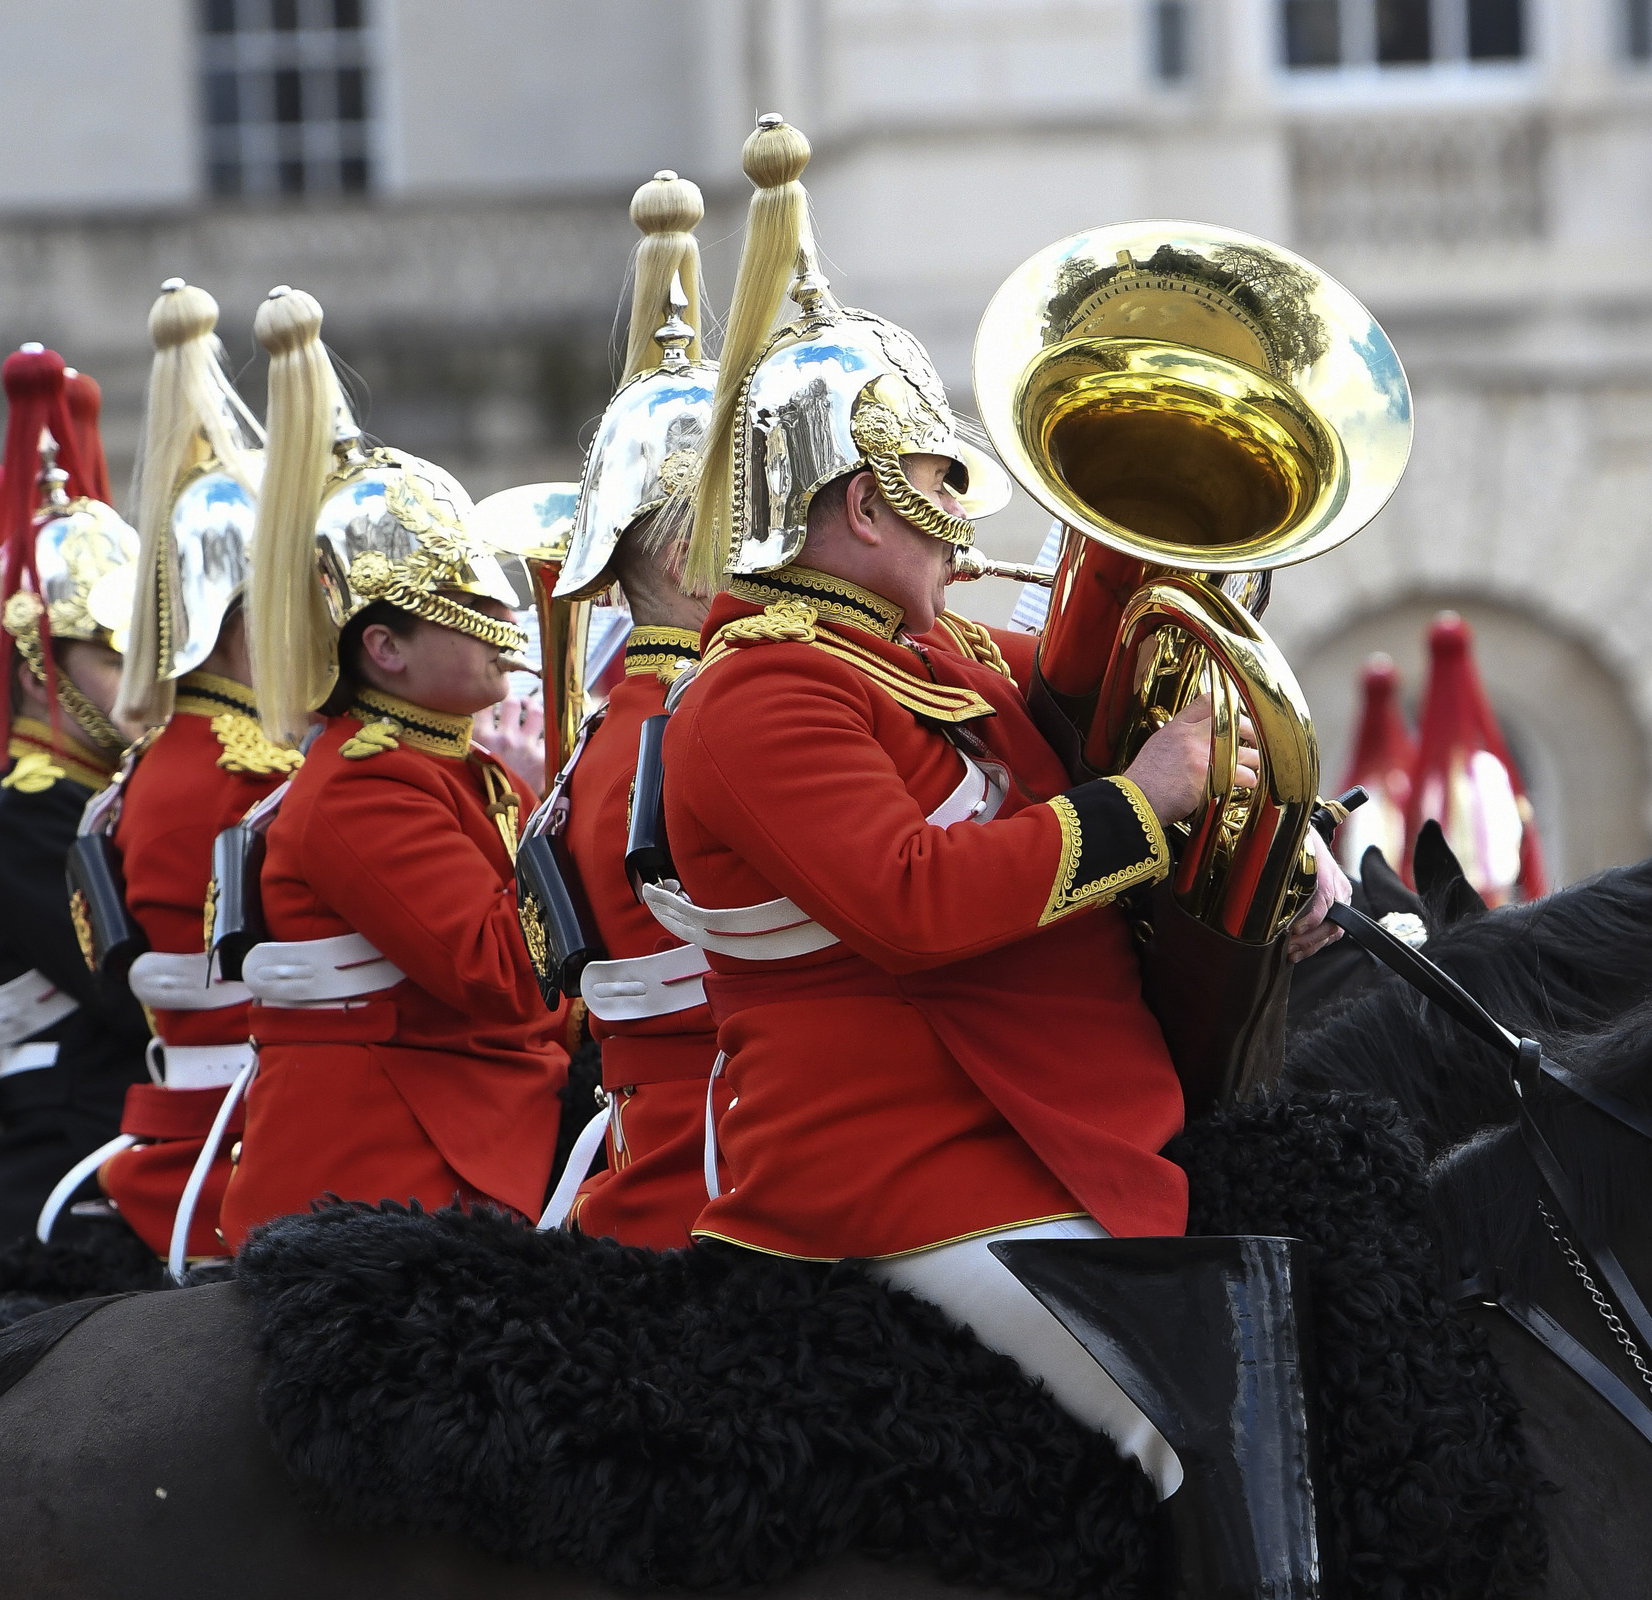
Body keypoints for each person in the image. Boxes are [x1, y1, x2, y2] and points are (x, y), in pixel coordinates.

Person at [652, 116, 1347, 1559]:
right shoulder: (756, 691)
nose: (968, 523)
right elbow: (912, 899)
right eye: (946, 486)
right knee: (1177, 1406)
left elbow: (1084, 712)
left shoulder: (936, 649)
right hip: (908, 1156)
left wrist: (1272, 839)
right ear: (866, 501)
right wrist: (1143, 804)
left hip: (1036, 1116)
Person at [216, 286, 568, 1246]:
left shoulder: (462, 766)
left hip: (476, 1105)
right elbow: (502, 973)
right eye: (468, 605)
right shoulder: (365, 784)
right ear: (384, 649)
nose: (504, 625)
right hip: (399, 1161)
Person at [58, 278, 290, 1264]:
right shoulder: (244, 775)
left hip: (191, 1116)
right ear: (245, 616)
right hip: (244, 1137)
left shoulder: (156, 765)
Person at [542, 170, 718, 1249]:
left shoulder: (619, 726)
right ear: (674, 553)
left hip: (653, 1138)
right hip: (717, 1165)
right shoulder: (694, 724)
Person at [0, 347, 148, 1257]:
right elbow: (132, 994)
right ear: (39, 669)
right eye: (116, 661)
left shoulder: (92, 794)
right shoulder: (29, 818)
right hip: (66, 1157)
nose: (141, 688)